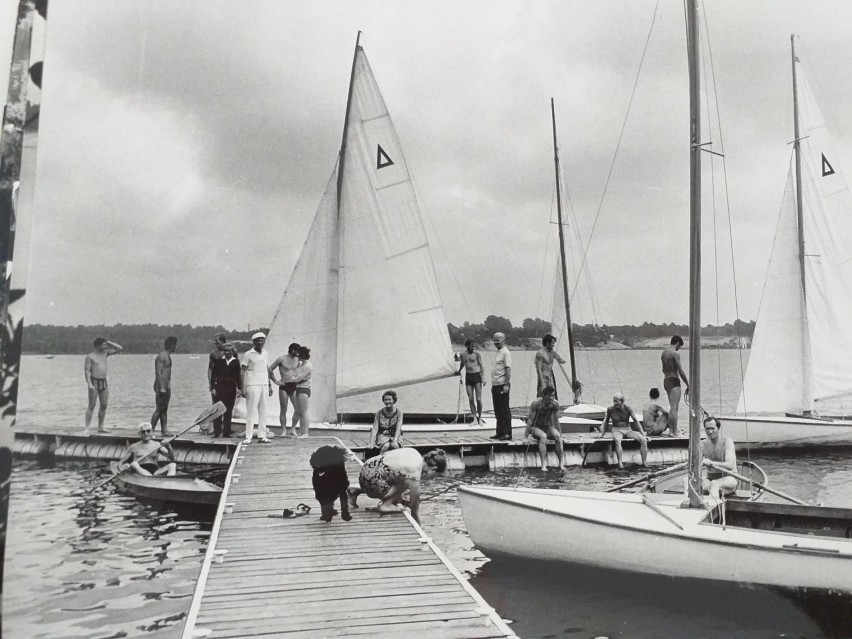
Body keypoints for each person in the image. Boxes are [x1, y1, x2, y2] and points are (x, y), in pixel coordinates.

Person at [348, 448, 447, 525]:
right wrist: (420, 531)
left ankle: (355, 490)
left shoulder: (415, 454)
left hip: (366, 471)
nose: (433, 478)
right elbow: (414, 511)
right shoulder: (414, 472)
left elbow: (394, 472)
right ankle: (385, 506)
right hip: (372, 482)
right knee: (405, 482)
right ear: (434, 469)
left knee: (401, 478)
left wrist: (403, 500)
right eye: (435, 476)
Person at [84, 337, 123, 433]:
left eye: (106, 345)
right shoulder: (90, 356)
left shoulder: (105, 353)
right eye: (103, 345)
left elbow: (119, 348)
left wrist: (108, 341)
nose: (106, 346)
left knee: (104, 405)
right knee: (91, 405)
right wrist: (89, 384)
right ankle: (87, 427)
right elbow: (87, 371)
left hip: (103, 382)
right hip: (94, 382)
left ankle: (100, 426)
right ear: (97, 346)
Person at [598, 393, 648, 468]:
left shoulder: (628, 409)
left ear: (622, 401)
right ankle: (620, 463)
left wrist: (643, 434)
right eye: (614, 401)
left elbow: (636, 421)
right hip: (616, 429)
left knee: (643, 440)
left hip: (627, 429)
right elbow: (606, 422)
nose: (615, 403)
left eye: (616, 401)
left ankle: (644, 462)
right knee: (617, 440)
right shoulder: (610, 409)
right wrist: (602, 435)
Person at [240, 332, 273, 444]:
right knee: (251, 411)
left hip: (263, 385)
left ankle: (262, 435)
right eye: (257, 340)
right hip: (252, 385)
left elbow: (266, 369)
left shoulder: (266, 353)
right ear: (253, 342)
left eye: (262, 340)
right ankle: (248, 436)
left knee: (263, 411)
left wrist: (269, 385)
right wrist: (242, 388)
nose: (260, 342)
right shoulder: (248, 354)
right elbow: (242, 371)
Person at [526, 386, 568, 471]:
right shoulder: (536, 404)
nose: (552, 398)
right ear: (545, 396)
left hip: (546, 427)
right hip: (535, 427)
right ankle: (543, 465)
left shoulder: (554, 404)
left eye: (553, 396)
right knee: (543, 436)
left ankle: (561, 464)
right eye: (550, 396)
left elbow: (556, 420)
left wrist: (560, 434)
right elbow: (530, 421)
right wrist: (525, 436)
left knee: (557, 436)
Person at [268, 342, 301, 437]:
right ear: (293, 350)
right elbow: (269, 369)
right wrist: (275, 381)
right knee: (283, 409)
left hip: (294, 386)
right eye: (297, 351)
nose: (298, 353)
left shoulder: (298, 360)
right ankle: (283, 430)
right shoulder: (281, 359)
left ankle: (293, 429)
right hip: (284, 386)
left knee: (298, 409)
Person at [700, 416, 738, 500]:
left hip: (729, 478)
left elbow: (729, 465)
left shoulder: (727, 442)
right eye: (707, 429)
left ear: (718, 428)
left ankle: (713, 509)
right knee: (689, 481)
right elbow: (696, 465)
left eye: (713, 428)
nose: (710, 432)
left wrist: (712, 463)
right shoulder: (702, 444)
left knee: (715, 484)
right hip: (710, 478)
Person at [210, 342, 241, 438]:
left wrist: (239, 388)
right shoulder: (219, 361)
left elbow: (238, 377)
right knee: (218, 410)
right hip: (220, 387)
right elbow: (213, 376)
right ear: (223, 351)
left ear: (233, 351)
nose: (227, 353)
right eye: (226, 351)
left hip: (231, 388)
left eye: (229, 351)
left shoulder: (236, 362)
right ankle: (217, 432)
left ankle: (226, 432)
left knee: (228, 410)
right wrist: (213, 388)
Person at [661, 335, 690, 436]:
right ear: (677, 343)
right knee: (674, 408)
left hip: (666, 380)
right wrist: (688, 384)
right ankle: (675, 431)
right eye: (679, 346)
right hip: (674, 381)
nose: (679, 348)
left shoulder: (664, 353)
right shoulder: (675, 353)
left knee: (671, 407)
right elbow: (681, 371)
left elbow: (663, 370)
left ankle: (671, 431)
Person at [151, 336, 177, 436]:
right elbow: (158, 372)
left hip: (166, 383)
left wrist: (167, 385)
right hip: (161, 384)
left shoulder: (167, 355)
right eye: (175, 345)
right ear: (171, 345)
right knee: (159, 408)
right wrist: (161, 386)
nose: (176, 347)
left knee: (164, 408)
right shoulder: (162, 356)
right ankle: (151, 430)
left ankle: (164, 430)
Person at [489, 332, 512, 440]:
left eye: (498, 340)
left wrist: (506, 384)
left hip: (503, 384)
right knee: (497, 410)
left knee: (504, 410)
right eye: (494, 340)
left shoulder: (505, 352)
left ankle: (507, 433)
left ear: (503, 340)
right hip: (496, 385)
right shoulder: (498, 352)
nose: (496, 342)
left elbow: (508, 369)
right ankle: (499, 432)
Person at [458, 339, 485, 424]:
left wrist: (483, 378)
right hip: (468, 376)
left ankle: (480, 418)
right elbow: (462, 363)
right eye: (471, 346)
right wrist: (458, 371)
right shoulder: (463, 354)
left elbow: (481, 366)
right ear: (467, 346)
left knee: (478, 399)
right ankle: (475, 419)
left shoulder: (477, 354)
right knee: (470, 398)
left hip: (477, 376)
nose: (473, 347)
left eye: (474, 346)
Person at [534, 334, 566, 399]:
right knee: (542, 395)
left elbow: (561, 360)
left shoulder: (552, 353)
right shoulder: (540, 353)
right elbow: (538, 369)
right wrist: (542, 382)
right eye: (552, 343)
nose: (553, 345)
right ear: (547, 343)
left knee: (552, 395)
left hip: (551, 377)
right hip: (543, 377)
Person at [207, 332, 227, 435]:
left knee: (227, 406)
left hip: (227, 383)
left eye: (217, 341)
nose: (215, 343)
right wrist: (211, 385)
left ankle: (227, 430)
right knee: (216, 407)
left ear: (223, 341)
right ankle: (217, 430)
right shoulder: (213, 354)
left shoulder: (230, 352)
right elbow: (210, 369)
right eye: (215, 341)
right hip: (217, 383)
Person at [291, 345, 313, 438]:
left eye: (298, 354)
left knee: (304, 412)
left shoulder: (308, 366)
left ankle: (305, 433)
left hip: (304, 389)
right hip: (299, 388)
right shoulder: (302, 365)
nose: (297, 356)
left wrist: (293, 378)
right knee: (300, 411)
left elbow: (297, 379)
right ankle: (302, 432)